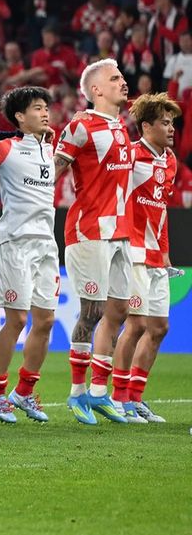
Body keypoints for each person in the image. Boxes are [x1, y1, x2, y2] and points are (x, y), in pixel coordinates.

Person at [54, 58, 132, 425]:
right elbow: (53, 169)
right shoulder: (81, 126)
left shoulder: (122, 129)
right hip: (89, 231)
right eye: (114, 78)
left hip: (121, 233)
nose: (123, 82)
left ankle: (99, 392)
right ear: (96, 90)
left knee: (119, 311)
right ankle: (76, 393)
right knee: (92, 312)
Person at [0, 86, 58, 424]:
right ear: (19, 117)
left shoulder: (49, 149)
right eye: (37, 108)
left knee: (46, 321)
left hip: (47, 244)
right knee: (17, 319)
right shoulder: (5, 148)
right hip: (15, 243)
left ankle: (24, 392)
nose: (44, 113)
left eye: (46, 107)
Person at [114, 92, 179, 423]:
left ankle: (136, 398)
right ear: (146, 126)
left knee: (159, 327)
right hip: (133, 250)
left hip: (156, 255)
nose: (171, 129)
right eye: (165, 123)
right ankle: (118, 397)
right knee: (136, 324)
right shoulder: (132, 157)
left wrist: (166, 252)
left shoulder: (170, 161)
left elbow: (162, 210)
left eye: (173, 123)